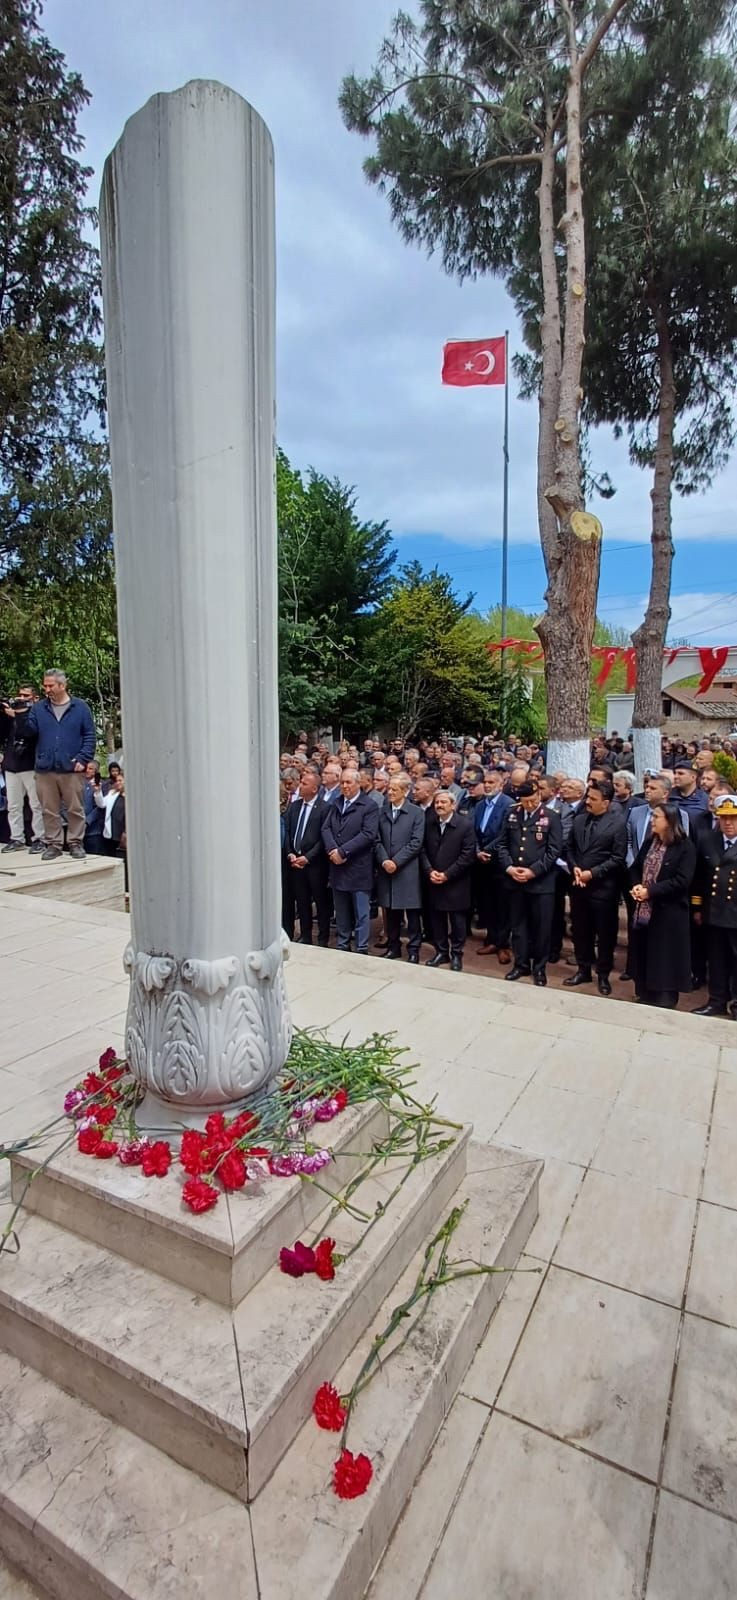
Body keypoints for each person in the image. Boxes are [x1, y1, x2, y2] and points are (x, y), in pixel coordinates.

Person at [8, 669, 96, 862]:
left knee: (75, 808)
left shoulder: (80, 707)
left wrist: (83, 759)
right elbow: (28, 734)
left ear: (62, 685)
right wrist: (22, 714)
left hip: (72, 768)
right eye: (45, 685)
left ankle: (75, 842)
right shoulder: (40, 708)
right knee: (49, 809)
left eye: (50, 685)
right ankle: (54, 844)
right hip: (45, 768)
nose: (47, 689)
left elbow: (90, 736)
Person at [629, 802, 696, 1008]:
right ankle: (646, 990)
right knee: (647, 950)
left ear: (669, 822)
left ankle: (665, 995)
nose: (652, 820)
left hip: (670, 910)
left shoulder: (685, 847)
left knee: (666, 954)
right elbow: (635, 868)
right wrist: (636, 886)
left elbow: (681, 880)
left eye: (656, 817)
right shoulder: (651, 842)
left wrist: (651, 891)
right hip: (646, 909)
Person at [564, 778, 627, 996]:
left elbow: (618, 858)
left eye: (593, 799)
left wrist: (593, 873)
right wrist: (575, 868)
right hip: (578, 885)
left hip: (603, 889)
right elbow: (569, 848)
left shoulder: (618, 824)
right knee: (581, 931)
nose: (588, 802)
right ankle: (583, 969)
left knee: (605, 933)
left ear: (606, 802)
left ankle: (603, 974)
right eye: (587, 797)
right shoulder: (580, 820)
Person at [497, 781, 562, 986]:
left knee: (541, 928)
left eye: (533, 800)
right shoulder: (511, 814)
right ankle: (521, 964)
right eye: (526, 802)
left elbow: (554, 851)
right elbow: (502, 844)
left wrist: (533, 871)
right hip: (515, 880)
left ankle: (540, 968)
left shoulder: (551, 817)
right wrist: (509, 867)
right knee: (518, 926)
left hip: (541, 883)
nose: (530, 805)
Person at [321, 769, 379, 954]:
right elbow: (326, 828)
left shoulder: (369, 806)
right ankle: (343, 942)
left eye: (349, 783)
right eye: (343, 782)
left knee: (361, 911)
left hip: (358, 865)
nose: (345, 786)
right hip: (337, 866)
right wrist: (332, 849)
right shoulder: (337, 803)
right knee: (342, 909)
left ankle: (361, 947)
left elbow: (368, 834)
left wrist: (343, 851)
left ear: (358, 783)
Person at [692, 794, 737, 1018]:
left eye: (733, 818)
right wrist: (698, 908)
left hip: (735, 914)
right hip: (714, 912)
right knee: (717, 960)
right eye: (723, 818)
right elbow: (699, 878)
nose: (728, 823)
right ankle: (717, 1000)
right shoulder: (709, 840)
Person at [421, 788, 476, 971]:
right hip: (433, 879)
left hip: (456, 882)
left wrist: (447, 874)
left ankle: (457, 954)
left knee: (458, 921)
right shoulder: (429, 823)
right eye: (437, 802)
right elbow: (422, 850)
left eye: (443, 802)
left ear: (453, 805)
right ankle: (441, 952)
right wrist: (430, 871)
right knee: (437, 919)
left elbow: (467, 855)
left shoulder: (465, 825)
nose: (439, 805)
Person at [375, 771, 425, 962]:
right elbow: (376, 840)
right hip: (386, 869)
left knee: (412, 914)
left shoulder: (416, 813)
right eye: (389, 789)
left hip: (406, 870)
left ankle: (413, 950)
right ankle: (393, 946)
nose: (390, 793)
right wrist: (385, 860)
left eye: (395, 789)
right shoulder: (383, 811)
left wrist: (396, 861)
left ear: (405, 791)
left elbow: (416, 842)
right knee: (391, 912)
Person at [284, 769, 331, 947]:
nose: (300, 786)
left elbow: (322, 838)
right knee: (302, 902)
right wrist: (290, 852)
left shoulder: (325, 809)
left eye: (304, 783)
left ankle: (323, 938)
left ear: (314, 789)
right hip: (295, 863)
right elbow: (288, 832)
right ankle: (305, 935)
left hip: (315, 865)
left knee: (320, 902)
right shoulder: (295, 806)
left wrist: (308, 857)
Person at [474, 769, 513, 963]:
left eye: (491, 782)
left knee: (502, 904)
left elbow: (505, 834)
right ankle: (491, 938)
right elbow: (473, 830)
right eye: (486, 782)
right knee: (487, 902)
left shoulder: (509, 805)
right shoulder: (480, 805)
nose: (487, 785)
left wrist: (487, 851)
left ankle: (503, 943)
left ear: (501, 784)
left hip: (499, 862)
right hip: (481, 862)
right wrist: (476, 850)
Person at [0, 684, 44, 854]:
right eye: (20, 695)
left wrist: (20, 715)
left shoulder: (37, 714)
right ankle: (16, 837)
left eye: (26, 696)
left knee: (36, 805)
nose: (22, 699)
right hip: (12, 765)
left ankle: (39, 838)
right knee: (13, 805)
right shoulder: (12, 714)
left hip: (30, 765)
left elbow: (30, 734)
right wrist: (5, 715)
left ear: (35, 698)